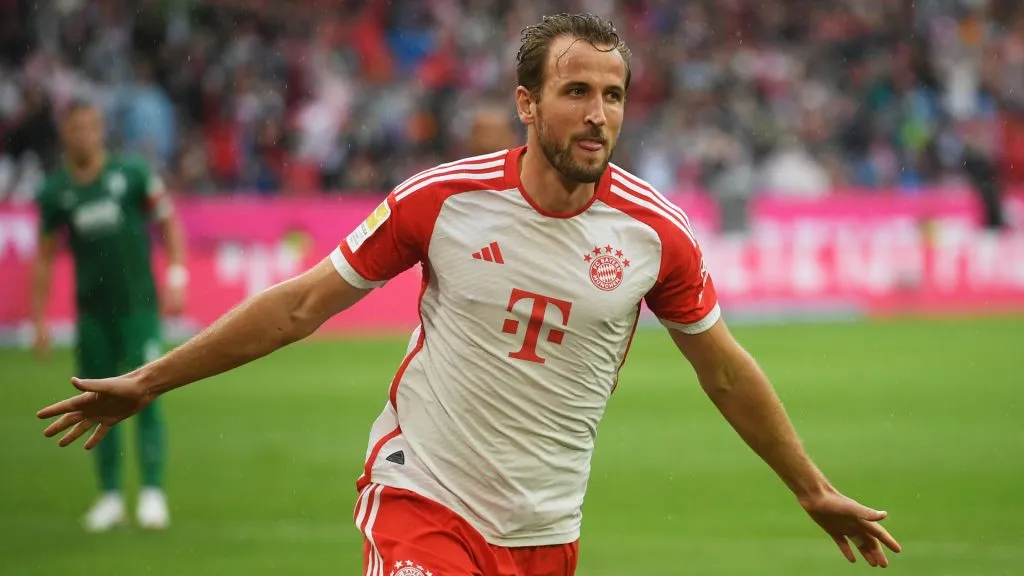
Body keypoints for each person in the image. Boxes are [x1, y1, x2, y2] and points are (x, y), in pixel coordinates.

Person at [36, 13, 901, 574]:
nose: (598, 113)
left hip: (545, 533)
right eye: (575, 92)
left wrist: (809, 486)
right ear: (527, 104)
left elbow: (723, 370)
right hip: (423, 499)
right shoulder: (439, 199)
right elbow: (301, 305)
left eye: (613, 95)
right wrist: (150, 380)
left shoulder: (656, 234)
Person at [32, 99, 187, 532]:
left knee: (149, 393)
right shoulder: (56, 192)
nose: (85, 134)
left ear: (100, 129)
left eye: (91, 126)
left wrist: (177, 274)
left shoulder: (132, 174)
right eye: (76, 128)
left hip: (138, 309)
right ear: (66, 134)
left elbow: (169, 222)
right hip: (92, 317)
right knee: (96, 403)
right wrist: (40, 318)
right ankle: (111, 496)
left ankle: (154, 492)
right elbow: (44, 258)